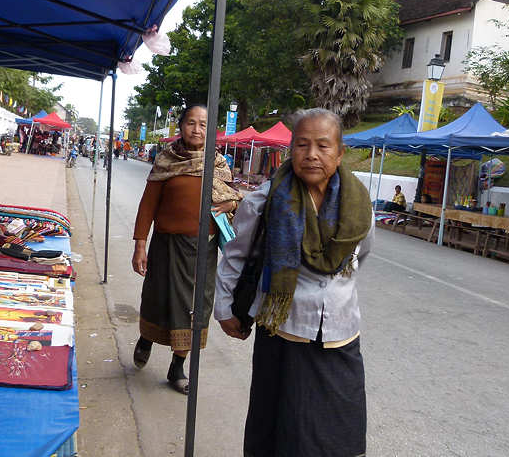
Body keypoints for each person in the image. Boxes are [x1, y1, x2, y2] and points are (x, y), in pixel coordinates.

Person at [215, 108, 374, 457]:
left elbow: (359, 256)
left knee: (340, 433)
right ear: (290, 150)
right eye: (302, 145)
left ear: (340, 152)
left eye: (322, 145)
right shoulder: (266, 199)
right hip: (284, 333)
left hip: (341, 334)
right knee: (281, 431)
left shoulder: (359, 205)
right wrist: (225, 307)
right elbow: (236, 254)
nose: (312, 155)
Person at [131, 104, 242, 394]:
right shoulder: (166, 160)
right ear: (181, 127)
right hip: (166, 247)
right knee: (158, 300)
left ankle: (177, 367)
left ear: (210, 130)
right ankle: (147, 338)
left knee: (197, 309)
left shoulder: (218, 164)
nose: (196, 129)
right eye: (191, 123)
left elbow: (233, 198)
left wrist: (231, 203)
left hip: (203, 250)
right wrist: (140, 244)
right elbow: (148, 204)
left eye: (203, 124)